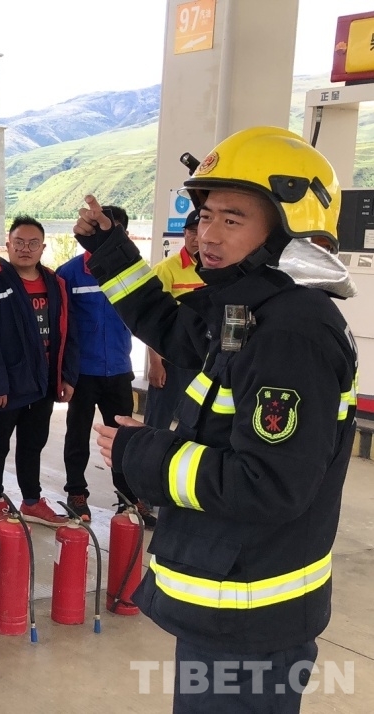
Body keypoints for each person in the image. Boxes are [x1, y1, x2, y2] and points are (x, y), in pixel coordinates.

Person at [78, 126, 355, 713]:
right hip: (234, 601)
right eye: (204, 216)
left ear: (288, 227)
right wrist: (110, 251)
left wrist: (140, 453)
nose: (207, 233)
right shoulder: (253, 308)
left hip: (251, 618)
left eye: (232, 219)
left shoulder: (291, 332)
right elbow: (175, 330)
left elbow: (269, 483)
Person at [0, 216, 79, 527]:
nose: (25, 249)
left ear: (43, 248)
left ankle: (32, 501)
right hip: (10, 383)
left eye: (33, 243)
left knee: (33, 443)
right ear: (8, 245)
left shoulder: (55, 283)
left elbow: (67, 331)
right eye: (19, 242)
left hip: (44, 379)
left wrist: (67, 376)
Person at [56, 205, 150, 525]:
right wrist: (62, 373)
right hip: (83, 373)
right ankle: (76, 493)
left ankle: (128, 498)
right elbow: (61, 327)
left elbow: (149, 317)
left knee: (123, 438)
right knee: (77, 435)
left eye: (117, 232)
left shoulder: (132, 271)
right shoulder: (69, 274)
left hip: (120, 370)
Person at [144, 209, 206, 431]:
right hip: (172, 358)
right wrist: (155, 363)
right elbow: (152, 320)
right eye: (192, 231)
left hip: (204, 358)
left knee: (197, 419)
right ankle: (148, 452)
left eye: (201, 231)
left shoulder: (216, 270)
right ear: (184, 234)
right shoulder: (166, 269)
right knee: (158, 419)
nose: (197, 237)